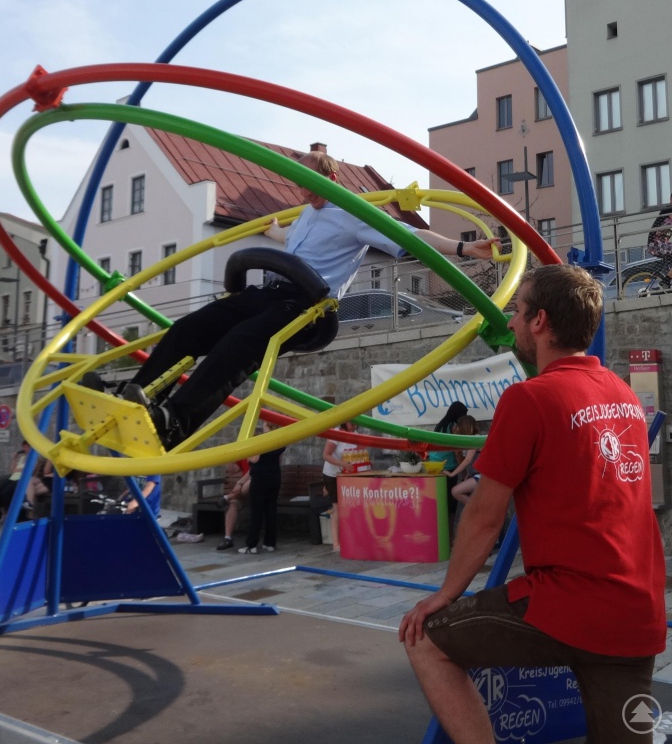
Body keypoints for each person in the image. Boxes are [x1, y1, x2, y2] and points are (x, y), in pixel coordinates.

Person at [398, 264, 666, 744]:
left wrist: (445, 594)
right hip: (635, 613)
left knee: (427, 640)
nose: (514, 323)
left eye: (518, 312)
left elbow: (484, 515)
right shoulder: (622, 394)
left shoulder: (529, 400)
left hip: (567, 605)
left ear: (540, 322)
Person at [106, 150, 498, 449]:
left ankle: (174, 422)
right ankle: (140, 396)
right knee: (190, 327)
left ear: (329, 177)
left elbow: (409, 237)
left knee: (241, 343)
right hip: (272, 292)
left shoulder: (354, 212)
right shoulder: (306, 216)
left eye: (307, 179)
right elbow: (289, 241)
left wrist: (463, 248)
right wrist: (275, 230)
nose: (300, 187)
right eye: (298, 181)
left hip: (310, 306)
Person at [239, 421, 286, 554]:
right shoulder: (281, 440)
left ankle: (251, 545)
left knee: (257, 511)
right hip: (275, 476)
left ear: (267, 426)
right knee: (271, 509)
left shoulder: (262, 440)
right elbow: (279, 459)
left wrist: (248, 452)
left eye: (264, 424)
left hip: (260, 477)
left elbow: (255, 459)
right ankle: (270, 543)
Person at [322, 421, 363, 553]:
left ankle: (351, 539)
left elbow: (358, 454)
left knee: (350, 506)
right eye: (352, 424)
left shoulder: (355, 434)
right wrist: (341, 464)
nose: (354, 427)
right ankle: (336, 544)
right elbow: (326, 455)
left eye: (356, 424)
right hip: (333, 474)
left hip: (348, 475)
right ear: (345, 422)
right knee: (337, 507)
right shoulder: (336, 434)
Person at [445, 415, 480, 506]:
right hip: (476, 475)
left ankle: (477, 510)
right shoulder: (472, 440)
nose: (457, 428)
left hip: (483, 476)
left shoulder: (475, 439)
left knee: (456, 491)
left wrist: (452, 474)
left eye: (459, 426)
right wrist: (468, 474)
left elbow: (467, 460)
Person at [215, 460, 251, 551]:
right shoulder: (244, 453)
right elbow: (233, 470)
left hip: (255, 487)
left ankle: (227, 497)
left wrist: (240, 482)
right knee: (233, 503)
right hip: (242, 492)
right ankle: (228, 538)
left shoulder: (258, 453)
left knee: (248, 484)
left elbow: (255, 470)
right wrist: (229, 455)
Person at [646, 193, 672, 291]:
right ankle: (666, 281)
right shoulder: (669, 209)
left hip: (661, 245)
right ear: (670, 200)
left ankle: (666, 281)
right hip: (655, 245)